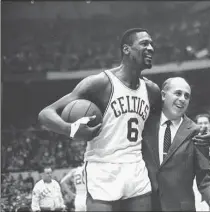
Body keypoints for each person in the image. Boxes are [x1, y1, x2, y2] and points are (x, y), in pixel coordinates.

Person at [38, 28, 162, 211]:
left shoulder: (152, 91)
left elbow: (151, 139)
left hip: (136, 167)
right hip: (102, 167)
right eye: (144, 43)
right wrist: (70, 129)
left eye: (152, 44)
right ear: (126, 49)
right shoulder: (100, 83)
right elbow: (46, 113)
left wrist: (156, 177)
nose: (151, 48)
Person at [142, 77, 210, 211]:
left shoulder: (196, 132)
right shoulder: (145, 124)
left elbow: (206, 176)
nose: (183, 99)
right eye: (178, 93)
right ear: (163, 95)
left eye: (187, 96)